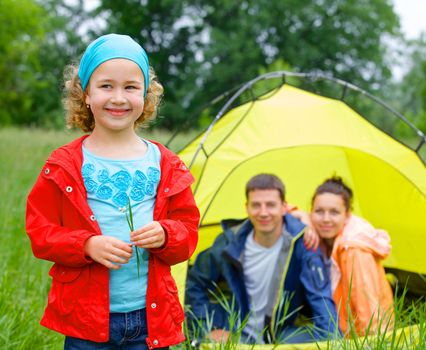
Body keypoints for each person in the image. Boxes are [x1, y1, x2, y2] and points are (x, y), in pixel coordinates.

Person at [25, 33, 199, 349]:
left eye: (130, 87)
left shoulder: (166, 163)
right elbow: (40, 232)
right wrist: (86, 244)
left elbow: (188, 230)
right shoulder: (64, 164)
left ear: (146, 96)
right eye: (106, 86)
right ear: (85, 94)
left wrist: (166, 234)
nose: (118, 97)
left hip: (150, 320)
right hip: (86, 323)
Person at [185, 174, 339, 344]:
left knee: (320, 339)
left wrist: (334, 342)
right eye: (256, 205)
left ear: (284, 207)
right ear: (247, 207)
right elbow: (193, 282)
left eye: (271, 205)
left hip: (280, 334)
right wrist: (209, 327)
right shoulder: (229, 243)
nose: (263, 213)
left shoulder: (303, 243)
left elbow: (320, 298)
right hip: (234, 333)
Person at [310, 176, 394, 336]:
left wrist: (369, 344)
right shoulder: (328, 239)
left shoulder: (354, 249)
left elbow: (368, 310)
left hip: (358, 337)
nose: (325, 219)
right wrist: (303, 218)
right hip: (344, 327)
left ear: (347, 215)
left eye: (334, 212)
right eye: (319, 211)